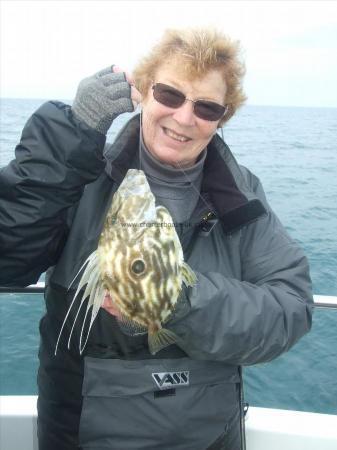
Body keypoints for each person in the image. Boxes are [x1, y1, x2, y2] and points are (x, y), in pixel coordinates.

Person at [0, 27, 313, 450]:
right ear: (144, 92)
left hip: (212, 435)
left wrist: (175, 300)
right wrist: (70, 135)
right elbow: (9, 257)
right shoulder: (82, 175)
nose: (184, 118)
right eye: (169, 95)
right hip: (85, 432)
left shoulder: (241, 196)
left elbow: (290, 308)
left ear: (223, 117)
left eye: (206, 107)